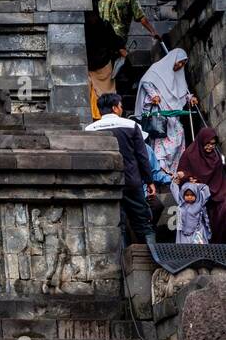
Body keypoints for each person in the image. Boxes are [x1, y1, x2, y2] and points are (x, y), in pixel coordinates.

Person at [85, 92, 157, 250]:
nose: (121, 109)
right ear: (114, 108)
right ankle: (153, 258)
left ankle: (121, 264)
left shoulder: (90, 129)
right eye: (121, 106)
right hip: (131, 181)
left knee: (117, 225)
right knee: (143, 221)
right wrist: (150, 181)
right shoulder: (131, 126)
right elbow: (142, 157)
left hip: (105, 184)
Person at [133, 47, 197, 184]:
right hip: (160, 117)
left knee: (179, 136)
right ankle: (161, 173)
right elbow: (146, 81)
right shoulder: (157, 69)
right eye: (179, 62)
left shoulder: (179, 75)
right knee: (162, 144)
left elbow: (183, 91)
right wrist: (153, 95)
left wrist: (190, 98)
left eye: (183, 63)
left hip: (174, 117)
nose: (180, 65)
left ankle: (174, 173)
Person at [96, 0, 161, 76]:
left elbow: (141, 17)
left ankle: (133, 78)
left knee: (121, 56)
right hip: (104, 36)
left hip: (119, 37)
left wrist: (153, 31)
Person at [175, 128, 226, 245]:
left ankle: (220, 244)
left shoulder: (216, 156)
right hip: (197, 195)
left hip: (217, 192)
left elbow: (220, 178)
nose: (210, 147)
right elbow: (182, 174)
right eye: (207, 144)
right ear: (201, 142)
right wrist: (188, 178)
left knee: (223, 208)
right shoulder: (190, 154)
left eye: (213, 144)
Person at [172, 179, 212, 245]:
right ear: (183, 195)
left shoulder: (199, 203)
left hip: (197, 232)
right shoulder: (181, 203)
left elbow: (206, 189)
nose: (189, 197)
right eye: (187, 195)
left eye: (192, 195)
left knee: (199, 250)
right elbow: (174, 190)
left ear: (196, 194)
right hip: (183, 233)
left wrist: (195, 184)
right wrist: (175, 182)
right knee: (185, 250)